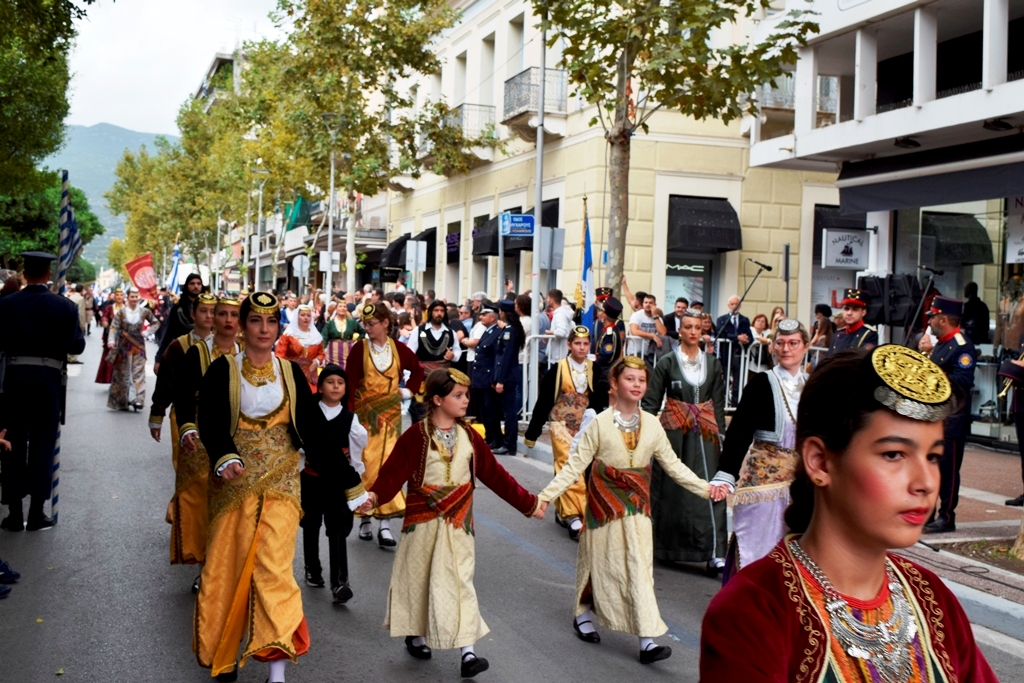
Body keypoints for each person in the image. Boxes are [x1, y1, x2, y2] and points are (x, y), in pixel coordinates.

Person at [700, 346, 997, 683]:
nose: (926, 483)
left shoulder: (931, 598)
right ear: (820, 462)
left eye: (933, 456)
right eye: (894, 454)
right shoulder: (754, 611)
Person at [538, 357, 721, 664]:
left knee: (639, 568)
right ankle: (582, 614)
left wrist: (707, 488)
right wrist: (545, 497)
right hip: (602, 505)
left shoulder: (651, 423)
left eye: (641, 380)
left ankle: (647, 640)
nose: (636, 385)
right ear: (614, 384)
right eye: (630, 379)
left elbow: (673, 466)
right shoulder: (598, 423)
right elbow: (575, 466)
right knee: (598, 562)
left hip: (638, 507)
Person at [366, 368, 541, 679]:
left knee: (460, 584)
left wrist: (529, 503)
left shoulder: (470, 437)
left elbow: (496, 476)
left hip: (459, 527)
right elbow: (392, 476)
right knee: (420, 582)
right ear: (437, 399)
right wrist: (373, 498)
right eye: (458, 396)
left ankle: (468, 652)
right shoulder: (415, 437)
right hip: (421, 527)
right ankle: (416, 634)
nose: (465, 401)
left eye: (467, 395)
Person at [193, 292, 312, 683]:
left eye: (272, 322)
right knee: (225, 569)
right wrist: (225, 455)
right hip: (234, 484)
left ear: (279, 327)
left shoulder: (291, 373)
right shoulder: (222, 370)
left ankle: (276, 670)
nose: (264, 330)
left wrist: (351, 483)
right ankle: (223, 654)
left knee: (274, 570)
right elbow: (210, 420)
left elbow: (312, 430)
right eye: (256, 321)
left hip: (282, 484)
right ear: (243, 327)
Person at [714, 319, 809, 579]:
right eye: (780, 343)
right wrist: (726, 474)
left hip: (801, 484)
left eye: (793, 343)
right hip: (763, 485)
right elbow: (739, 432)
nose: (786, 349)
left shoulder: (813, 386)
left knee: (798, 550)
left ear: (806, 347)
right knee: (757, 546)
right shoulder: (761, 383)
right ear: (772, 348)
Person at [0, 252, 86, 532]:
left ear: (24, 273)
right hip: (48, 381)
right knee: (43, 444)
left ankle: (14, 513)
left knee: (11, 444)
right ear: (48, 274)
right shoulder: (64, 306)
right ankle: (37, 512)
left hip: (13, 379)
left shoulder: (6, 304)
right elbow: (77, 347)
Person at [641, 308, 727, 574]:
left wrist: (722, 437)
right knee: (672, 489)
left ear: (703, 331)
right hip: (674, 432)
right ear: (680, 329)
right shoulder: (667, 361)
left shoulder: (713, 364)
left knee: (710, 486)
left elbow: (719, 404)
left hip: (706, 432)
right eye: (688, 327)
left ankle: (714, 551)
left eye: (697, 328)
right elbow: (651, 402)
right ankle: (667, 547)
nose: (692, 332)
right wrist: (644, 436)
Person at [169, 297, 243, 580]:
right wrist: (187, 426)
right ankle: (206, 569)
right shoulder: (197, 353)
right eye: (221, 313)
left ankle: (229, 564)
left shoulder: (249, 355)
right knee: (202, 503)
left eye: (233, 315)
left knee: (231, 502)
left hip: (235, 434)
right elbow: (184, 395)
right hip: (201, 437)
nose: (227, 319)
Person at [346, 302, 424, 547]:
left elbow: (418, 371)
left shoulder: (399, 349)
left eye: (372, 324)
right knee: (367, 464)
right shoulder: (359, 349)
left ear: (385, 323)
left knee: (389, 465)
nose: (368, 328)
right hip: (364, 417)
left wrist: (408, 391)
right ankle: (366, 519)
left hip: (390, 417)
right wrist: (347, 419)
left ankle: (386, 524)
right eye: (365, 324)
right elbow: (349, 384)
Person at [148, 293, 216, 567]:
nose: (209, 317)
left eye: (215, 311)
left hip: (218, 420)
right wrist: (157, 414)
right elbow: (166, 381)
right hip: (185, 417)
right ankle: (188, 525)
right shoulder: (179, 346)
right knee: (189, 472)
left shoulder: (231, 347)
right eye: (204, 311)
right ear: (193, 314)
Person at [300, 365, 368, 604]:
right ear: (320, 386)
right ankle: (312, 568)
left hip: (337, 482)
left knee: (337, 528)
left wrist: (356, 474)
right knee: (311, 523)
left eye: (340, 382)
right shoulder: (308, 412)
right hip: (311, 478)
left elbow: (358, 448)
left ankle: (340, 581)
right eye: (330, 382)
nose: (336, 386)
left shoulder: (350, 418)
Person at [525, 326, 595, 540]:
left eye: (585, 344)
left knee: (586, 466)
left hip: (587, 424)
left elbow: (601, 397)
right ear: (569, 345)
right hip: (561, 424)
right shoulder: (558, 368)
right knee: (567, 465)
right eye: (577, 343)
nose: (581, 348)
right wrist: (533, 431)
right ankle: (573, 515)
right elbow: (545, 399)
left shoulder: (595, 368)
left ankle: (568, 510)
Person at [918, 296, 976, 533]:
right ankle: (929, 513)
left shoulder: (962, 346)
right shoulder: (941, 343)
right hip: (935, 417)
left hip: (952, 417)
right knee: (930, 467)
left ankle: (947, 516)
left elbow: (963, 380)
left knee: (948, 471)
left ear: (943, 319)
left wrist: (934, 375)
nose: (929, 320)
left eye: (933, 316)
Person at [406, 300, 462, 423]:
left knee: (441, 410)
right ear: (431, 312)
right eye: (436, 310)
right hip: (423, 378)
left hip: (443, 380)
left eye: (442, 311)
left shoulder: (450, 332)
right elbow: (409, 354)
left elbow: (458, 353)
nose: (439, 314)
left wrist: (453, 355)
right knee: (420, 411)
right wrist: (408, 377)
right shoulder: (419, 331)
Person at [106, 288, 159, 412]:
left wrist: (147, 332)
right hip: (124, 346)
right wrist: (111, 341)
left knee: (139, 372)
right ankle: (123, 400)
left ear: (139, 298)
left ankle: (139, 400)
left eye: (136, 297)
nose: (134, 299)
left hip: (139, 346)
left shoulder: (145, 311)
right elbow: (114, 327)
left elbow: (156, 323)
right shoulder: (121, 313)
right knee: (123, 373)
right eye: (132, 297)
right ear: (128, 298)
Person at [492, 299, 524, 455]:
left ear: (503, 312)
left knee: (509, 413)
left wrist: (500, 380)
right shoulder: (509, 329)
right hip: (506, 375)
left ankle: (510, 445)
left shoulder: (510, 331)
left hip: (508, 377)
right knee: (507, 411)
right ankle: (508, 443)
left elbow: (505, 358)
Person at [469, 301, 503, 448]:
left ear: (493, 318)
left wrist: (495, 378)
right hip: (481, 377)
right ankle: (489, 436)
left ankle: (496, 438)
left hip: (488, 377)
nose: (481, 317)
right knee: (483, 409)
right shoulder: (488, 331)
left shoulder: (497, 332)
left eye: (484, 315)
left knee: (491, 410)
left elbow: (497, 357)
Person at [155, 273, 204, 372]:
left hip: (203, 352)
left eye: (199, 284)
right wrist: (159, 359)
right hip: (181, 352)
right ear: (186, 286)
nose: (196, 286)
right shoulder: (178, 308)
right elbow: (168, 333)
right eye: (192, 283)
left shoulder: (208, 308)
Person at [274, 303, 325, 393]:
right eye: (303, 315)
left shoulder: (316, 335)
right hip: (292, 374)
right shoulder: (288, 335)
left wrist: (317, 361)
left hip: (310, 374)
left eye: (308, 315)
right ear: (297, 317)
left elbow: (321, 353)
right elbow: (279, 355)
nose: (306, 318)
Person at [714, 295, 751, 405]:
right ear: (728, 305)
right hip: (725, 354)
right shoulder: (722, 319)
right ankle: (723, 404)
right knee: (724, 380)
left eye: (737, 304)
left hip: (738, 354)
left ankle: (735, 405)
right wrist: (737, 338)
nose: (734, 306)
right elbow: (720, 333)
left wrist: (746, 339)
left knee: (737, 382)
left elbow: (749, 335)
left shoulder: (744, 320)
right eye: (732, 304)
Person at [826, 288, 878, 357]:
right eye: (846, 309)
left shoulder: (868, 334)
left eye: (855, 309)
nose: (849, 313)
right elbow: (828, 358)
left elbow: (863, 360)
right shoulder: (837, 334)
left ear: (863, 312)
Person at [593, 296, 625, 393]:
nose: (599, 314)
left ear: (604, 316)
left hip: (605, 373)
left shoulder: (611, 334)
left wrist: (593, 365)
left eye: (601, 311)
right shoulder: (609, 330)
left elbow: (606, 356)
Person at [94, 288, 124, 384]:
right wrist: (104, 321)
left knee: (123, 359)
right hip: (111, 336)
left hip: (124, 337)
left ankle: (122, 380)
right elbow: (105, 316)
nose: (119, 297)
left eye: (121, 295)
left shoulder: (127, 308)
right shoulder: (109, 308)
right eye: (117, 295)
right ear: (114, 296)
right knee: (111, 359)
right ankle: (111, 379)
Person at [323, 299, 363, 367]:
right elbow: (324, 337)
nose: (342, 308)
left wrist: (356, 342)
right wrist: (324, 350)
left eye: (344, 306)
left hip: (348, 351)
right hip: (333, 352)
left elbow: (363, 332)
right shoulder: (330, 323)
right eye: (340, 306)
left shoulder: (352, 322)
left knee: (348, 369)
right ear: (336, 308)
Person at [628, 293, 664, 360]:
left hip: (650, 354)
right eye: (646, 302)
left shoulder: (658, 318)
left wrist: (655, 317)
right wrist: (652, 336)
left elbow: (663, 333)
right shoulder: (636, 315)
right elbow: (634, 331)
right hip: (635, 352)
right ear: (643, 304)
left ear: (655, 305)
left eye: (650, 303)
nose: (648, 304)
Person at [546, 288, 575, 365]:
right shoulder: (562, 313)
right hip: (559, 355)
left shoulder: (560, 314)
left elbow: (561, 332)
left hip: (558, 357)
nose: (547, 300)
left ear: (552, 300)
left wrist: (549, 332)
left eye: (548, 298)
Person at [67, 284, 87, 364]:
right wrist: (82, 324)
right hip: (76, 319)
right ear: (82, 290)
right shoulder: (81, 298)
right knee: (77, 338)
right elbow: (81, 313)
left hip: (69, 319)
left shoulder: (71, 297)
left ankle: (68, 355)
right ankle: (73, 357)